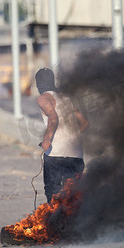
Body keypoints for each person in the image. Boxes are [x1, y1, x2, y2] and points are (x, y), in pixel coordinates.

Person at [35, 68, 89, 203]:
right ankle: (76, 223)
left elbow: (53, 118)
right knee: (73, 195)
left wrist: (47, 139)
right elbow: (85, 123)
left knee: (54, 193)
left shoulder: (43, 98)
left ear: (38, 83)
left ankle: (57, 223)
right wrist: (71, 136)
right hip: (76, 154)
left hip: (56, 155)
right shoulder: (66, 98)